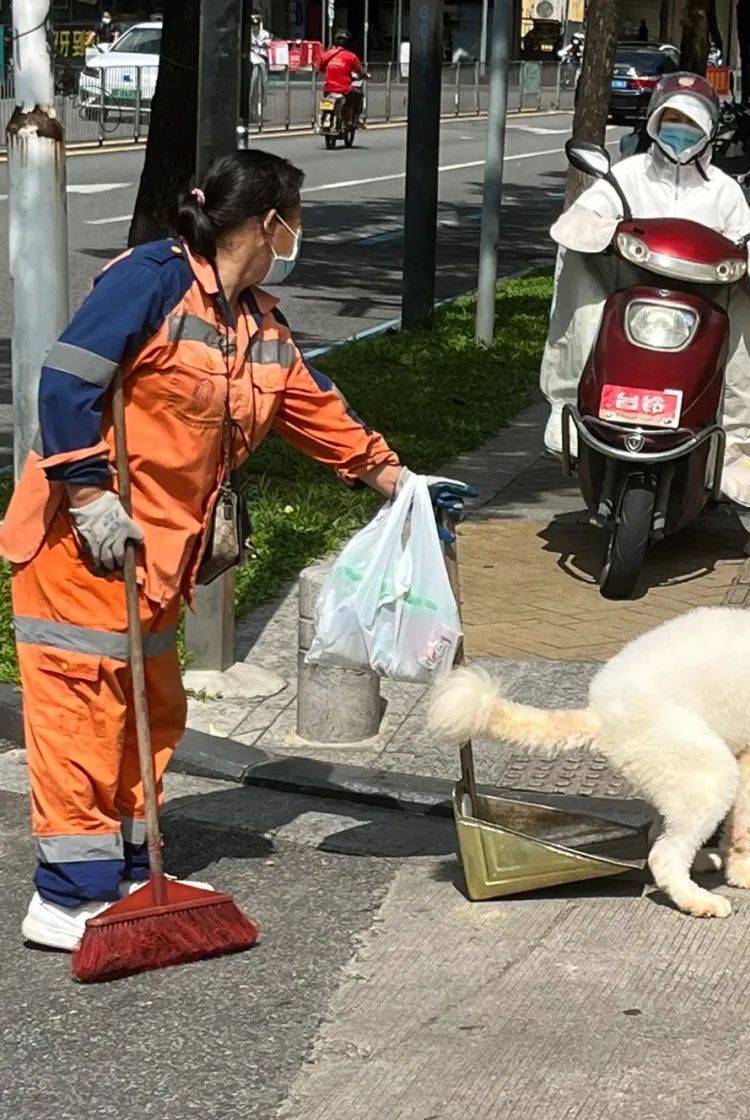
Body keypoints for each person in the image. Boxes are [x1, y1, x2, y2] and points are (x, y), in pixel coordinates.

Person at [0, 150, 473, 951]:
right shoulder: (149, 281)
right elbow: (65, 381)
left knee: (145, 722)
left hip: (155, 562)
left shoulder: (254, 321)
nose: (300, 232)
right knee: (85, 712)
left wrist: (399, 481)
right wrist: (88, 495)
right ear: (265, 223)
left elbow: (310, 406)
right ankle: (65, 897)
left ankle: (123, 869)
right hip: (82, 548)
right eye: (296, 216)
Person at [541, 72, 750, 566]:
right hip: (631, 310)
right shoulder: (629, 174)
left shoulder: (724, 191)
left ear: (709, 131)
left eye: (692, 122)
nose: (680, 131)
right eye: (672, 120)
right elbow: (587, 215)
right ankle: (573, 422)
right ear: (655, 122)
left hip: (703, 315)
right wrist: (601, 229)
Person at [318, 29, 365, 131]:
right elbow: (361, 72)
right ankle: (356, 120)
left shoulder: (327, 54)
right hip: (345, 90)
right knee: (360, 95)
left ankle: (324, 120)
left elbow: (320, 67)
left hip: (328, 90)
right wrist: (365, 75)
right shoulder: (351, 56)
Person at [249, 11, 272, 126]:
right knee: (251, 87)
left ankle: (260, 109)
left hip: (262, 62)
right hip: (252, 63)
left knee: (263, 87)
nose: (255, 28)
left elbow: (268, 43)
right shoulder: (247, 34)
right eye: (253, 25)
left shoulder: (265, 34)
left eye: (257, 26)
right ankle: (250, 111)